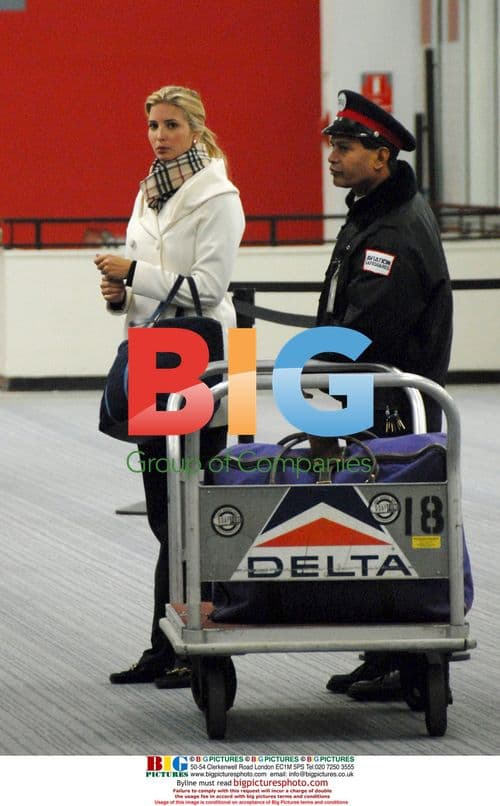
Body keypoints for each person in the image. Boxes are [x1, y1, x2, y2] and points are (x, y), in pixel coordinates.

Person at [94, 85, 245, 688]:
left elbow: (207, 288)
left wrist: (135, 273)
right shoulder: (148, 189)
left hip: (202, 360)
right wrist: (121, 295)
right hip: (155, 357)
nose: (159, 135)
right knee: (164, 513)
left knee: (195, 511)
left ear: (197, 129)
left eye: (172, 125)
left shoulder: (220, 197)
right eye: (153, 124)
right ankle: (166, 642)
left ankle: (200, 646)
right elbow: (151, 285)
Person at [317, 90, 453, 701]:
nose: (333, 158)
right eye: (332, 147)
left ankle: (409, 665)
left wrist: (313, 366)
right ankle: (386, 655)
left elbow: (370, 327)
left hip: (393, 406)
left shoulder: (391, 229)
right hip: (374, 399)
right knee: (375, 527)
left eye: (344, 148)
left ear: (381, 154)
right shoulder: (374, 211)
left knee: (395, 530)